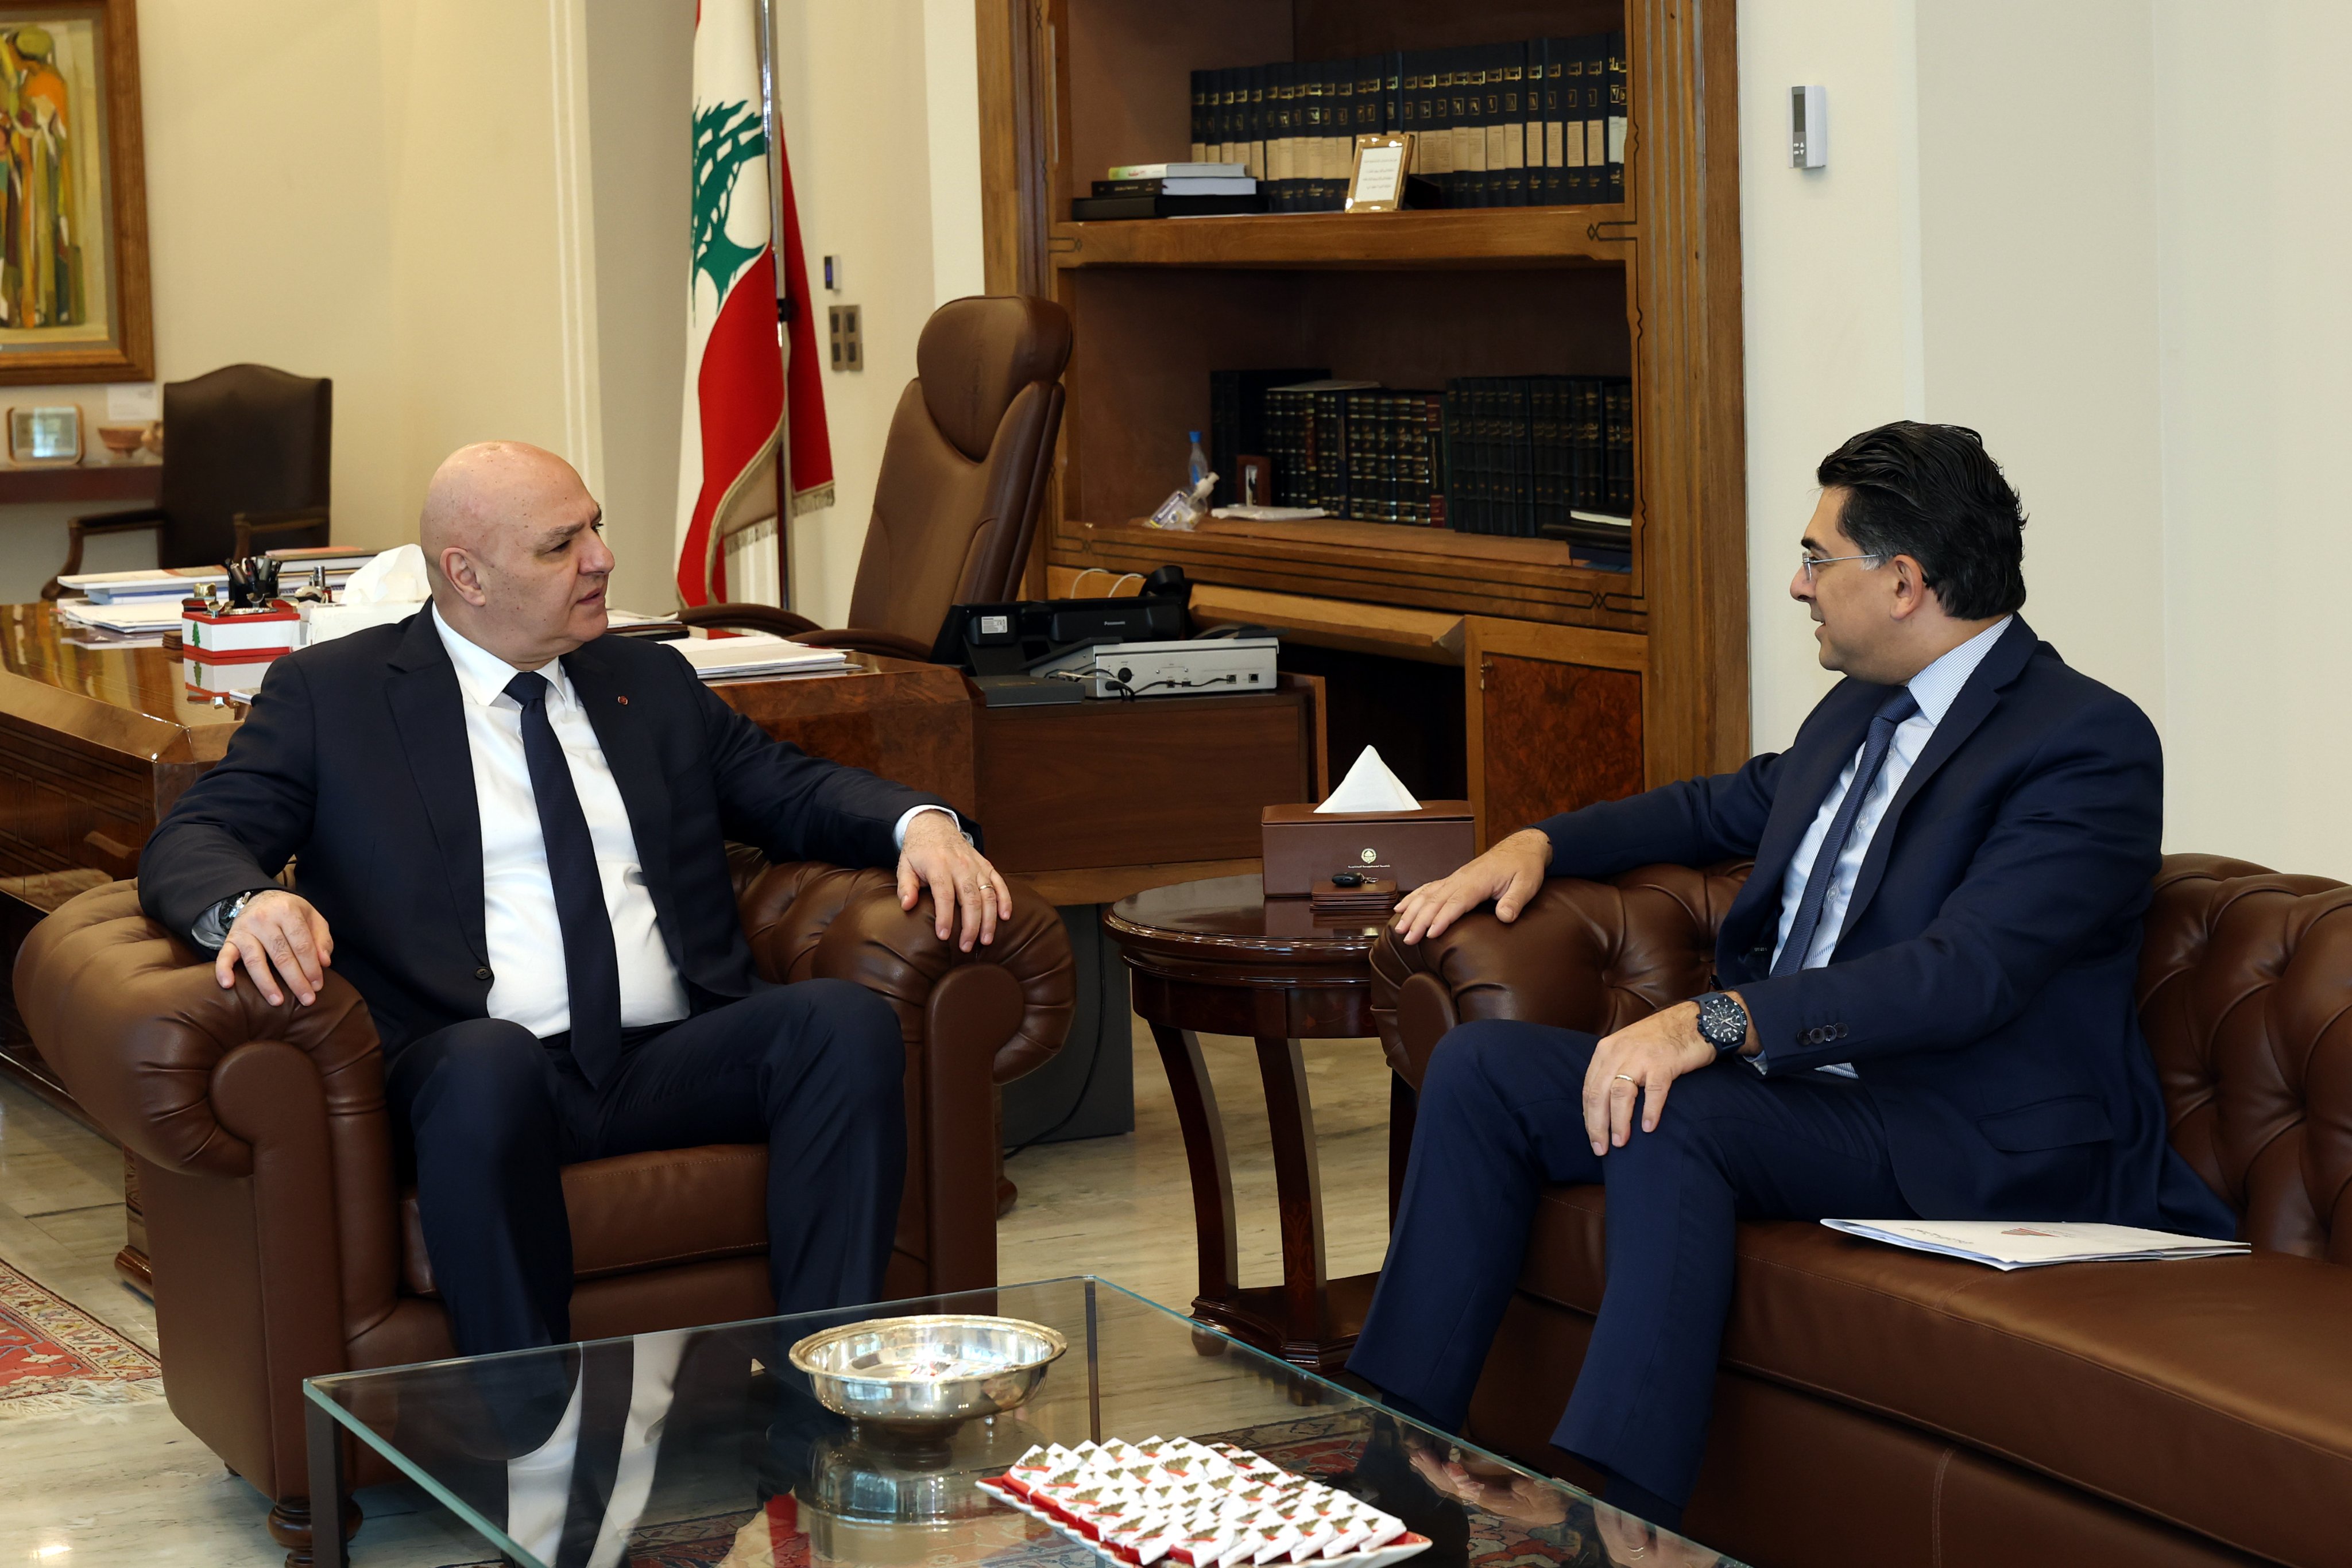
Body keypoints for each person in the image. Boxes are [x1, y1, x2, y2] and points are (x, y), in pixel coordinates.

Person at [1347, 421, 2236, 1535]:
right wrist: (1537, 841)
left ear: (1903, 582)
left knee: (1674, 1107)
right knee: (1483, 1072)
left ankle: (1618, 1526)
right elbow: (1719, 806)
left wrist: (1713, 1021)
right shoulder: (1862, 707)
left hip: (1956, 1125)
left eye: (1818, 558)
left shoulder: (2084, 742)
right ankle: (1394, 1479)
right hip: (1811, 1100)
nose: (1796, 583)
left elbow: (1967, 974)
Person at [138, 440, 1014, 1358]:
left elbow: (790, 789)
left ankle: (826, 1384)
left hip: (668, 1056)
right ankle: (526, 1420)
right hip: (470, 1067)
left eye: (595, 527)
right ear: (467, 575)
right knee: (489, 1065)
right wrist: (248, 904)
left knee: (841, 1025)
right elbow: (196, 836)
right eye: (561, 546)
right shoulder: (336, 697)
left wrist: (920, 824)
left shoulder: (647, 681)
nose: (601, 559)